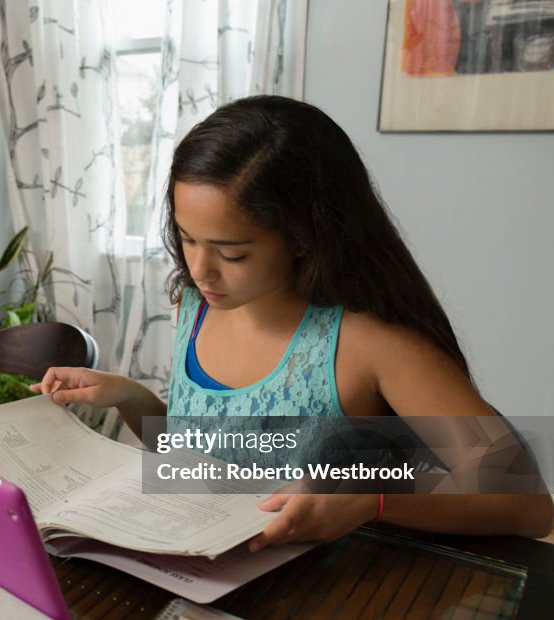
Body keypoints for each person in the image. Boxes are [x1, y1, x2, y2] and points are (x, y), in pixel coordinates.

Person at [33, 96, 552, 548]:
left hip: (337, 590)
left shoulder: (370, 342)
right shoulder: (197, 305)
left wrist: (370, 499)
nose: (198, 269)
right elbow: (207, 458)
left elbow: (526, 505)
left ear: (304, 236)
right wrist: (131, 397)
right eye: (187, 238)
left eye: (232, 253)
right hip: (210, 571)